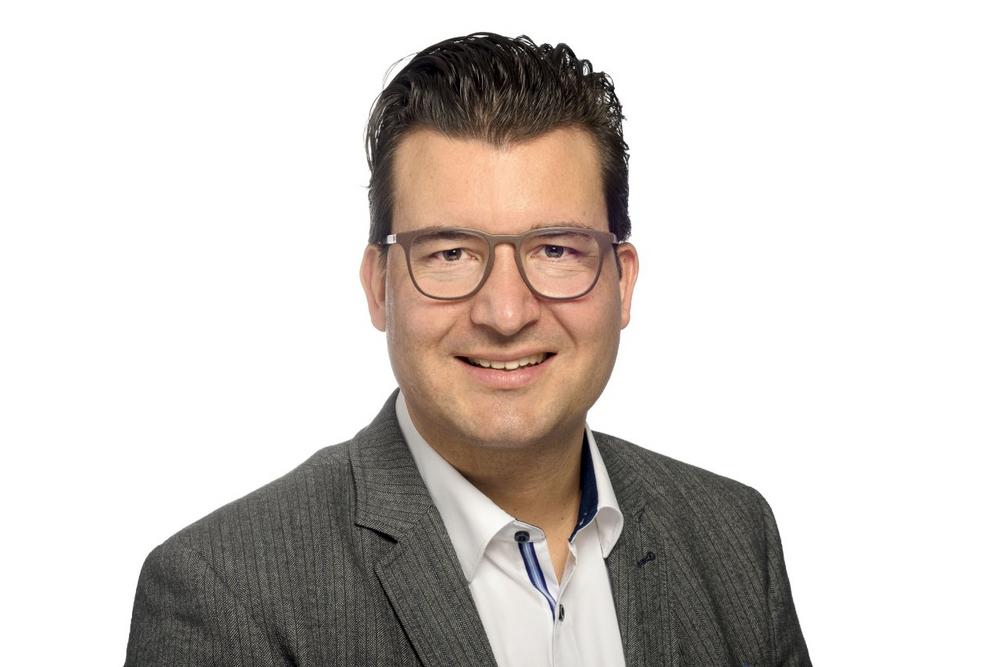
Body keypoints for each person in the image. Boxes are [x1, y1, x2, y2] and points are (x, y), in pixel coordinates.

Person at [125, 32, 811, 666]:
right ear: (379, 287)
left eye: (556, 250)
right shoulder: (221, 592)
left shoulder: (734, 536)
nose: (506, 313)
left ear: (622, 283)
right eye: (450, 253)